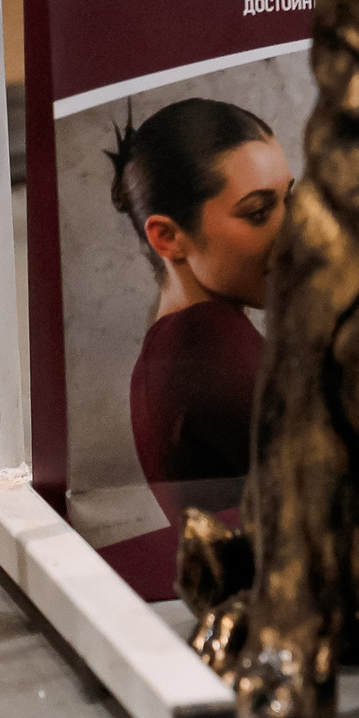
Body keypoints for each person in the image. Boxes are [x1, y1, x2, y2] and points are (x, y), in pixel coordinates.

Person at [108, 98, 292, 525]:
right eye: (258, 212)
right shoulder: (210, 345)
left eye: (290, 199)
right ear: (168, 237)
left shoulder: (172, 344)